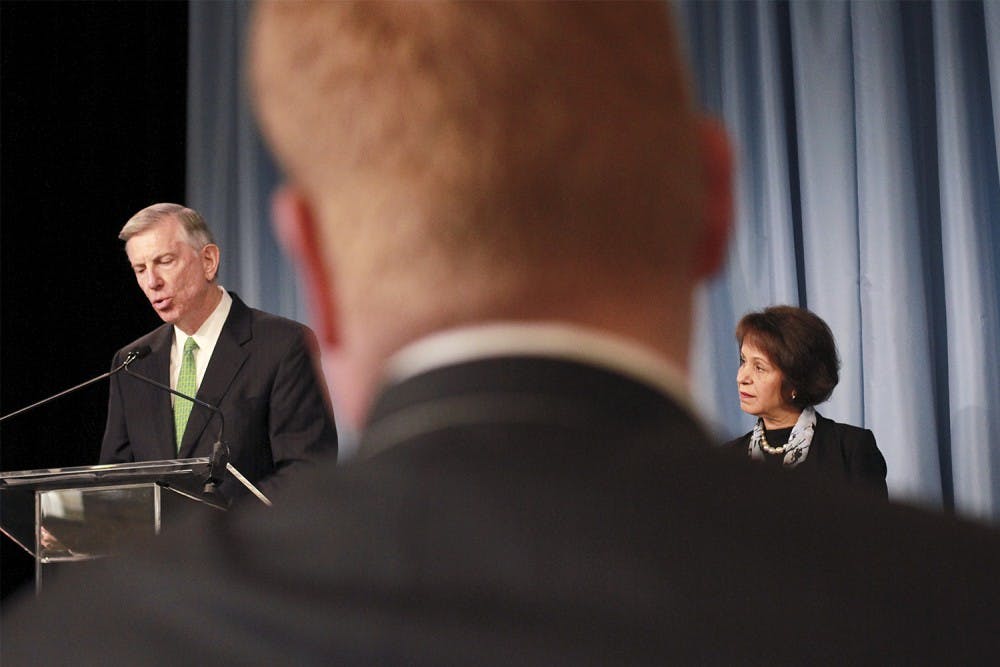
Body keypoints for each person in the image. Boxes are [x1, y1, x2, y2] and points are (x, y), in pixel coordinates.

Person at [2, 3, 998, 664]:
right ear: (709, 203)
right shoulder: (952, 604)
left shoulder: (82, 644)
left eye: (161, 261)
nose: (149, 283)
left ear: (311, 262)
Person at [99, 203, 338, 499]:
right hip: (162, 546)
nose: (152, 282)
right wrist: (79, 522)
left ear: (209, 260)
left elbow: (307, 470)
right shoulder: (133, 362)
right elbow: (115, 476)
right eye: (140, 269)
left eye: (165, 261)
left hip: (250, 543)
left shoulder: (282, 344)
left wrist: (218, 528)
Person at [725, 305, 888, 498]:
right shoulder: (727, 459)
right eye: (743, 361)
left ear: (796, 380)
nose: (742, 377)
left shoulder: (850, 449)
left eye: (759, 367)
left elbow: (875, 528)